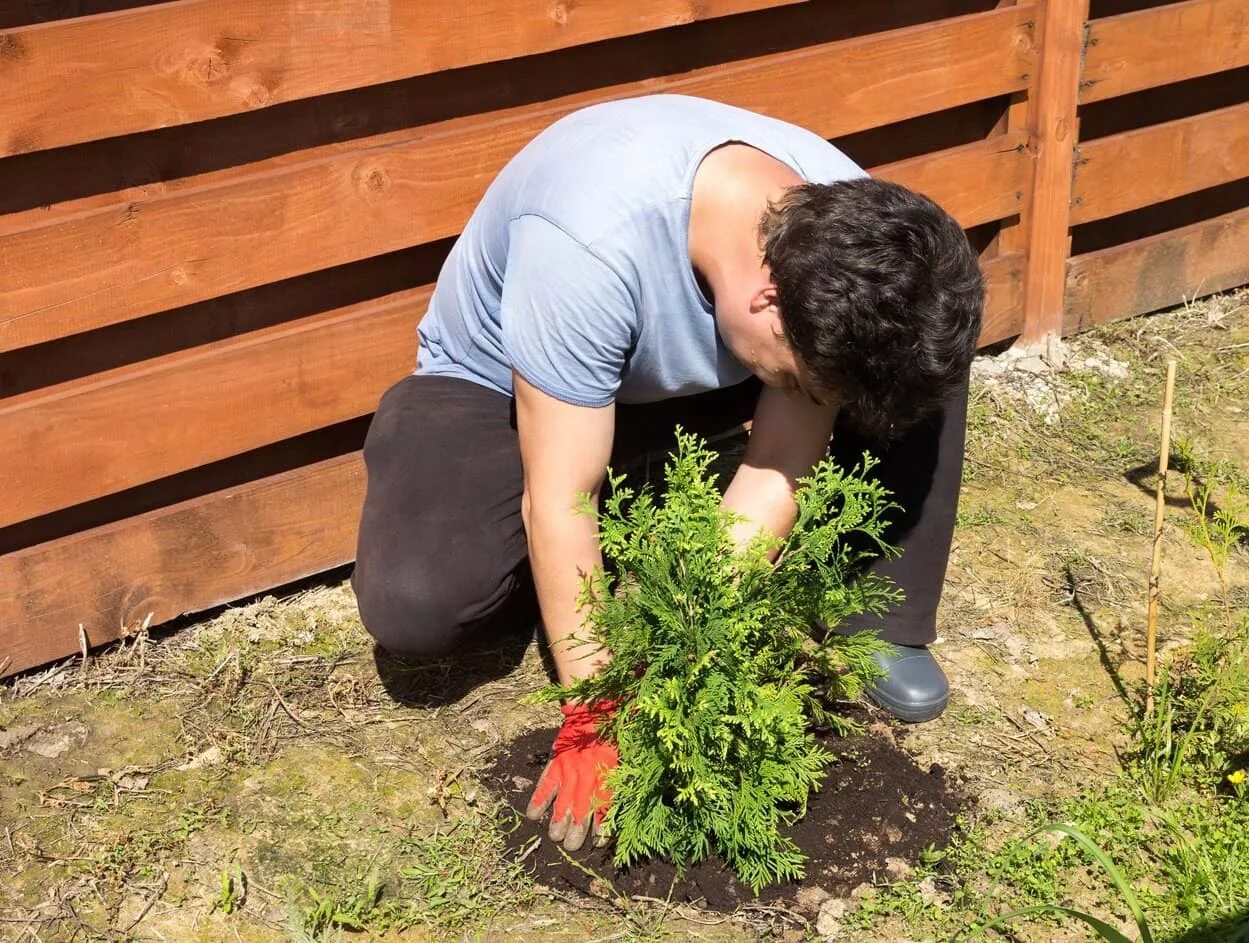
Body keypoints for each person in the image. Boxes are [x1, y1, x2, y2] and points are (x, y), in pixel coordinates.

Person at [352, 94, 984, 852]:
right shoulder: (587, 243)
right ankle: (621, 496)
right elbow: (560, 497)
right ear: (767, 299)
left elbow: (780, 462)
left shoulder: (851, 235)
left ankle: (885, 618)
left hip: (690, 381)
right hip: (507, 384)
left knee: (919, 356)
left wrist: (697, 628)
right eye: (807, 385)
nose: (818, 400)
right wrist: (595, 709)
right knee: (418, 601)